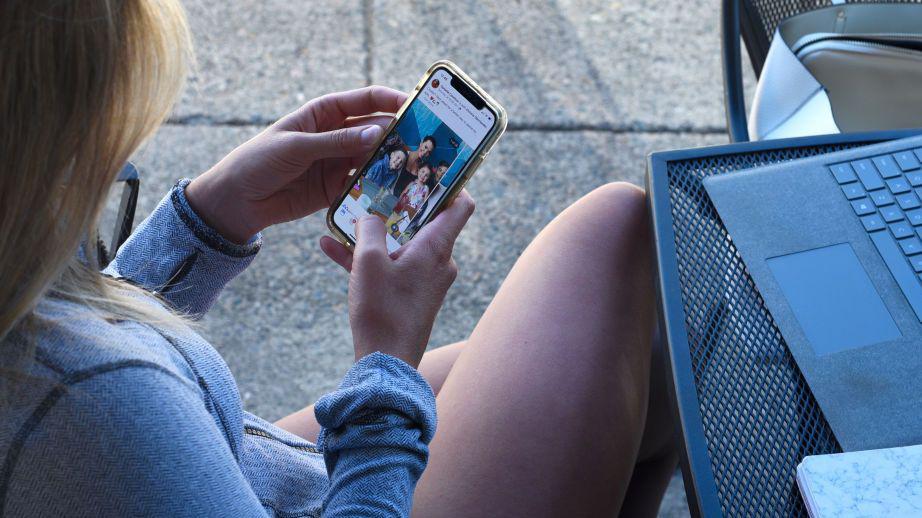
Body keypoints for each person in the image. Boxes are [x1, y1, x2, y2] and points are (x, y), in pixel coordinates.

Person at [0, 2, 676, 517]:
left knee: (637, 344)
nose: (115, 155)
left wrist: (210, 217)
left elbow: (73, 322)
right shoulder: (98, 410)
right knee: (614, 237)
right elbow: (100, 391)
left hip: (248, 464)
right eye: (95, 148)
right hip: (338, 493)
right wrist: (385, 363)